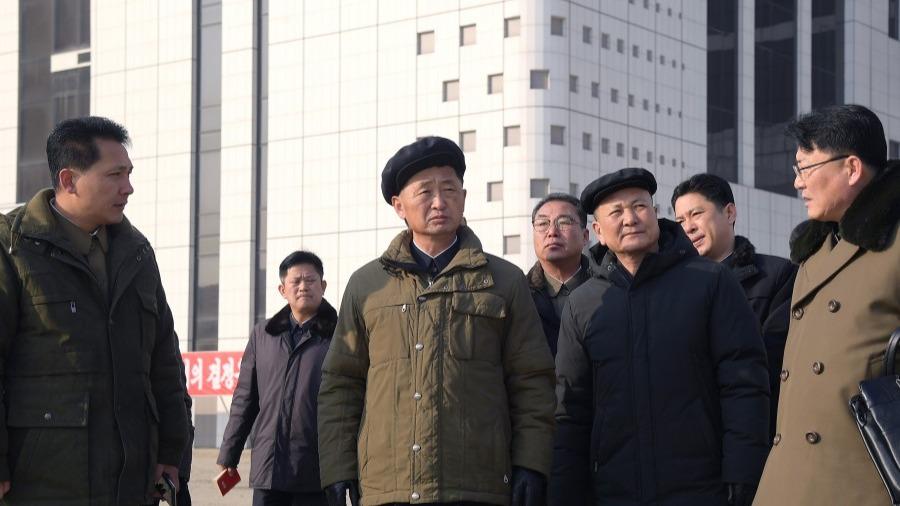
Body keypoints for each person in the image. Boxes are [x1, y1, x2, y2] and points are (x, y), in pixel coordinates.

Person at [317, 136, 556, 506]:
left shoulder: (504, 281)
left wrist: (532, 463)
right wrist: (337, 468)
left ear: (464, 197)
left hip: (478, 483)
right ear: (399, 205)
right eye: (425, 192)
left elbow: (532, 380)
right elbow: (341, 383)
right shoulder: (367, 285)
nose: (440, 202)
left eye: (449, 189)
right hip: (387, 485)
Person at [551, 168, 770, 506]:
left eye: (639, 206)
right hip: (614, 491)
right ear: (598, 232)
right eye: (616, 212)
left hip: (702, 487)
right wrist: (565, 491)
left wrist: (744, 470)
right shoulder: (583, 304)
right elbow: (571, 409)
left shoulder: (710, 282)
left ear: (655, 213)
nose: (630, 219)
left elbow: (744, 382)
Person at [0, 116, 189, 504]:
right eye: (115, 175)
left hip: (130, 484)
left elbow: (165, 364)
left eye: (129, 174)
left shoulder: (136, 254)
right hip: (42, 484)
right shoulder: (13, 248)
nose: (128, 187)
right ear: (69, 180)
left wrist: (172, 452)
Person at [754, 104, 900, 506]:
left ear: (851, 168)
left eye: (805, 168)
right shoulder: (815, 252)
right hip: (791, 478)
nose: (797, 182)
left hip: (866, 478)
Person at [672, 173, 796, 439]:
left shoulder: (776, 275)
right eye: (680, 220)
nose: (688, 227)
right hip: (690, 435)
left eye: (696, 214)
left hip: (753, 428)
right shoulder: (671, 288)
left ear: (729, 213)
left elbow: (774, 361)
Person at [218, 251, 336, 506]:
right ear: (283, 290)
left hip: (319, 471)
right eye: (296, 281)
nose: (303, 286)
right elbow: (245, 398)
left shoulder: (340, 335)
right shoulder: (263, 334)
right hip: (269, 468)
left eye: (311, 280)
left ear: (323, 286)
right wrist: (229, 452)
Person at [527, 193, 590, 356]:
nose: (552, 232)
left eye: (564, 222)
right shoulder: (519, 294)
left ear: (585, 236)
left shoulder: (608, 289)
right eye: (543, 223)